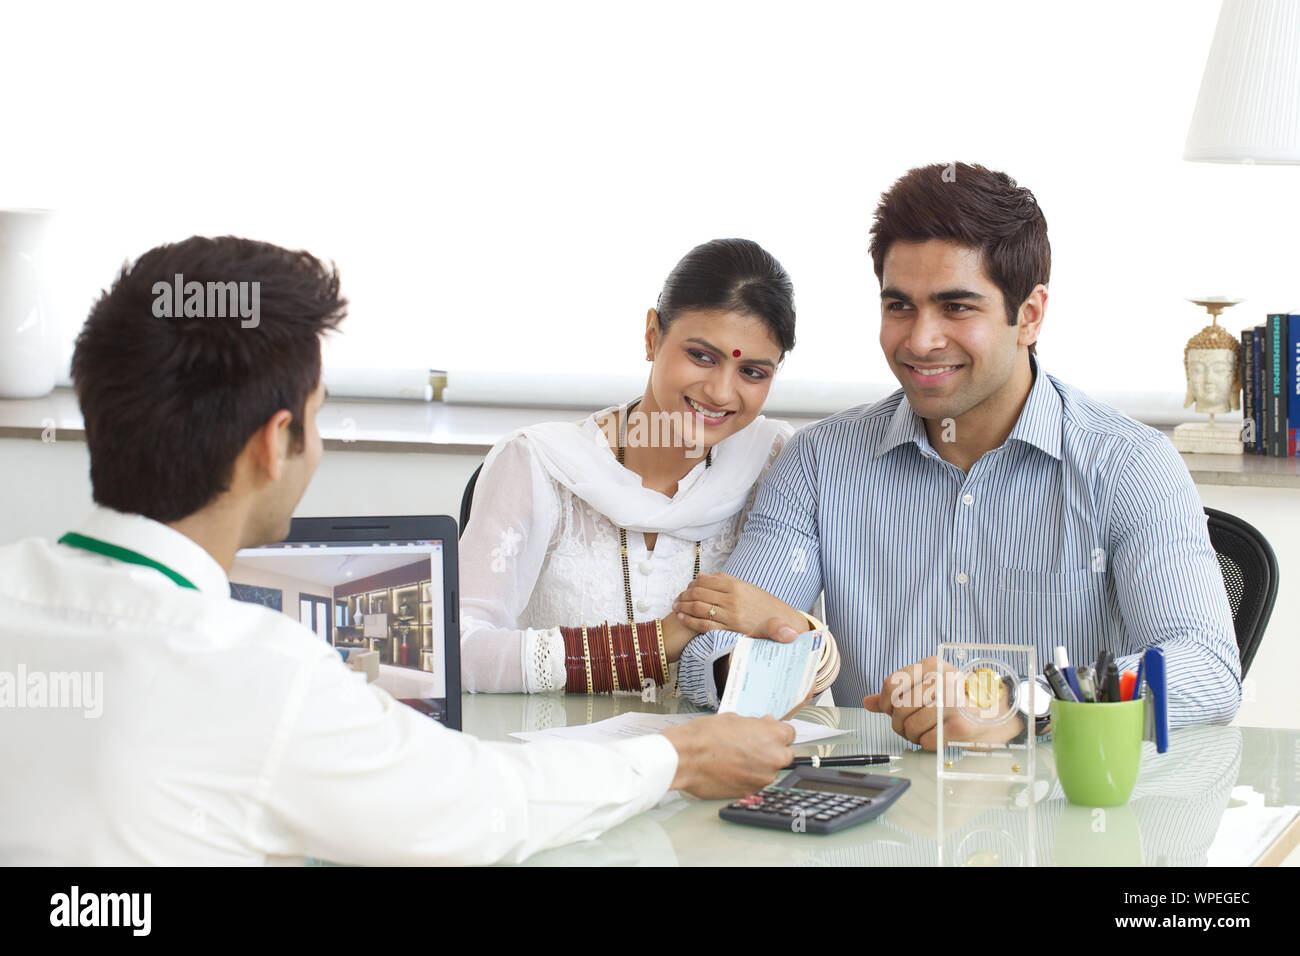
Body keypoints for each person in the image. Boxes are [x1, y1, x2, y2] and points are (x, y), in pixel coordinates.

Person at [0, 236, 797, 865]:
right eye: (317, 414)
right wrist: (676, 756)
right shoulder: (266, 674)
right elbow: (478, 808)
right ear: (275, 446)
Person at [675, 163, 1241, 749]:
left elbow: (1206, 671)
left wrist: (1020, 705)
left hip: (1053, 822)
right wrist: (764, 662)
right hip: (868, 820)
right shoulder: (820, 462)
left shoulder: (1130, 465)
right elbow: (712, 648)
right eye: (900, 307)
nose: (920, 340)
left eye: (957, 308)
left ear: (1030, 315)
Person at [459, 238, 838, 695]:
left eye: (752, 372)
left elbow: (782, 658)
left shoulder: (777, 461)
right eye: (701, 356)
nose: (720, 392)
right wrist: (658, 643)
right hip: (560, 758)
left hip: (717, 758)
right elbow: (456, 652)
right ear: (652, 335)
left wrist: (797, 626)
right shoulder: (539, 465)